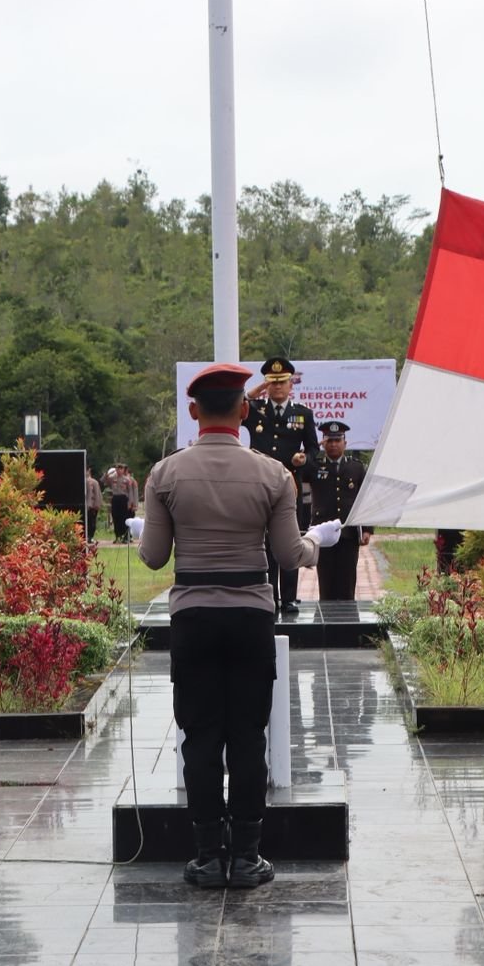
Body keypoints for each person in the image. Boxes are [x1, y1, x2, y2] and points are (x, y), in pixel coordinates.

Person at [133, 362, 341, 888]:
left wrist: (141, 530)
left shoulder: (165, 474)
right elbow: (289, 556)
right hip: (250, 615)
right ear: (245, 412)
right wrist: (320, 541)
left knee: (200, 737)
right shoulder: (274, 475)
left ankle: (207, 855)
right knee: (248, 737)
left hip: (194, 617)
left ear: (194, 412)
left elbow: (155, 558)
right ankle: (246, 856)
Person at [246, 357, 318, 614]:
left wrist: (304, 460)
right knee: (262, 543)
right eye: (272, 383)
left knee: (289, 540)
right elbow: (233, 408)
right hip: (260, 486)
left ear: (291, 385)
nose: (277, 388)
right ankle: (268, 595)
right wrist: (254, 392)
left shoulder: (302, 413)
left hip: (290, 486)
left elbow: (313, 450)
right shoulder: (255, 410)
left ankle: (288, 597)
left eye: (282, 382)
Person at [307, 421, 373, 601]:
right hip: (323, 532)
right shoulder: (315, 467)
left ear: (345, 443)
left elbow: (365, 498)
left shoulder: (356, 467)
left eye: (337, 440)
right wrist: (313, 450)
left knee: (347, 579)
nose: (333, 444)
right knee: (326, 581)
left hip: (348, 531)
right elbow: (301, 469)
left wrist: (367, 529)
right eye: (329, 441)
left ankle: (348, 623)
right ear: (323, 443)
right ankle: (325, 625)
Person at [108, 463, 139, 542]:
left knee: (124, 519)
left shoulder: (129, 480)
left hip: (124, 500)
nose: (120, 470)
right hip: (116, 499)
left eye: (122, 469)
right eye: (118, 468)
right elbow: (105, 480)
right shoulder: (113, 478)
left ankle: (126, 536)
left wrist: (133, 504)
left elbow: (133, 492)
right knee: (116, 517)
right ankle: (118, 535)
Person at [84, 466, 103, 542]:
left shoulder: (94, 482)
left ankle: (90, 536)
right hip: (85, 505)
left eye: (86, 470)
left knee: (91, 522)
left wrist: (97, 505)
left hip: (92, 505)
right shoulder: (83, 481)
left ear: (89, 470)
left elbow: (98, 494)